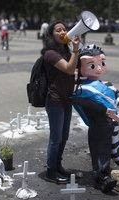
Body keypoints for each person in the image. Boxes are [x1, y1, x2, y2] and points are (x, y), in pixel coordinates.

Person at [71, 44, 119, 193]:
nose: (99, 68)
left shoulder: (107, 85)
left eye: (102, 63)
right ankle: (101, 178)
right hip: (98, 126)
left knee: (116, 147)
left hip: (112, 125)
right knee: (100, 152)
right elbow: (85, 103)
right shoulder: (83, 89)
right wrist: (106, 111)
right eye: (92, 65)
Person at [41, 20, 80, 184]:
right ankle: (51, 171)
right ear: (51, 35)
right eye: (58, 30)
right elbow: (70, 69)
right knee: (56, 138)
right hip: (55, 100)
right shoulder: (50, 53)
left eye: (64, 29)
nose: (63, 32)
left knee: (64, 136)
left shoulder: (64, 52)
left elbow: (74, 70)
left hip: (66, 99)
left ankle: (57, 165)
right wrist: (76, 49)